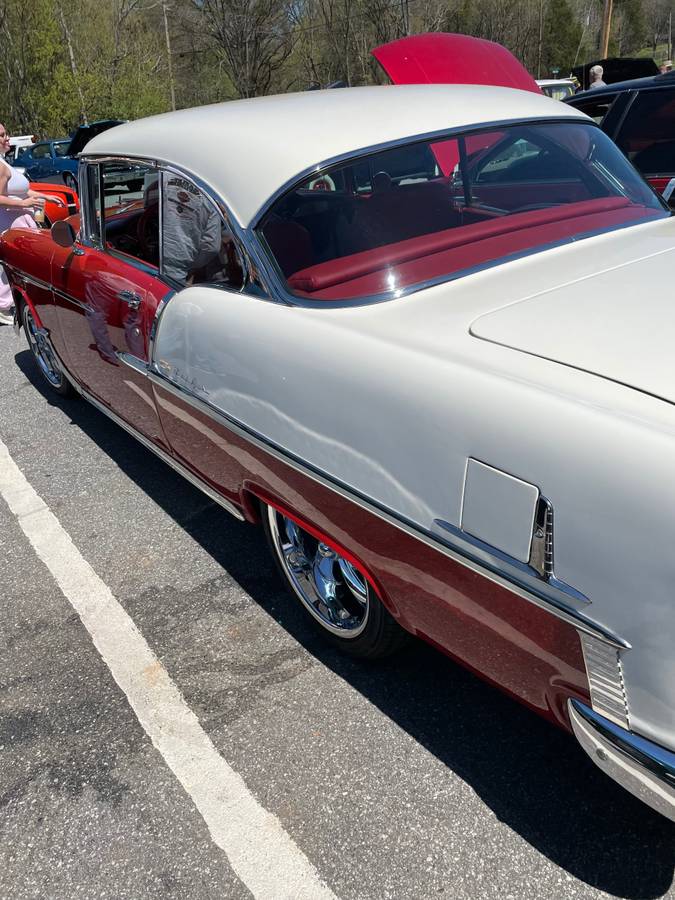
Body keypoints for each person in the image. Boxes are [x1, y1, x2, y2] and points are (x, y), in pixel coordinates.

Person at [0, 122, 63, 325]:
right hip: (10, 222)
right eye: (1, 135)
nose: (6, 138)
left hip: (20, 219)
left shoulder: (4, 162)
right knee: (10, 264)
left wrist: (47, 197)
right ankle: (5, 307)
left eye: (6, 133)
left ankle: (16, 302)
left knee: (20, 263)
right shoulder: (0, 167)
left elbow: (22, 190)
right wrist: (25, 204)